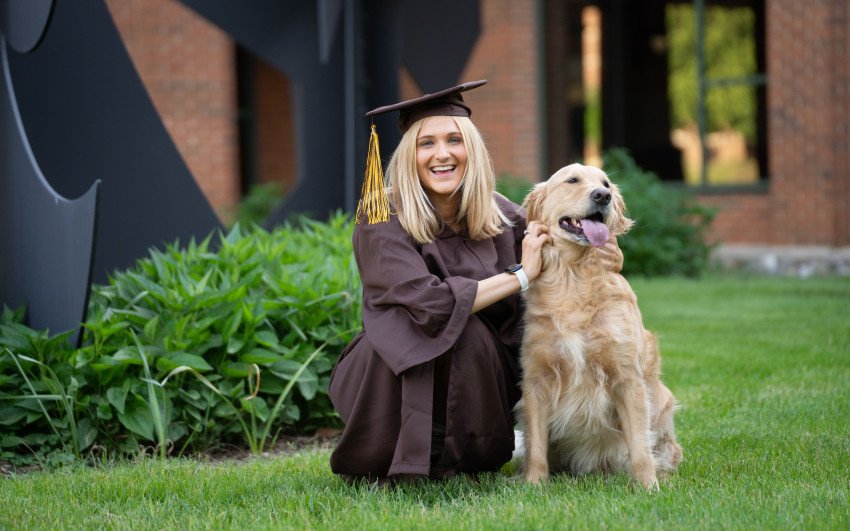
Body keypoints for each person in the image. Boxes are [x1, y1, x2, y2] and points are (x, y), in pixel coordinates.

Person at [328, 80, 622, 483]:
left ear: (472, 150)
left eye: (454, 140)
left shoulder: (500, 214)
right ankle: (404, 449)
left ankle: (466, 450)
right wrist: (521, 275)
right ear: (408, 155)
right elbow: (430, 306)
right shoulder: (381, 215)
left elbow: (558, 235)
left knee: (472, 335)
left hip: (480, 377)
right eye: (425, 143)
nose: (442, 154)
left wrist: (601, 245)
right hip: (390, 369)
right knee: (457, 326)